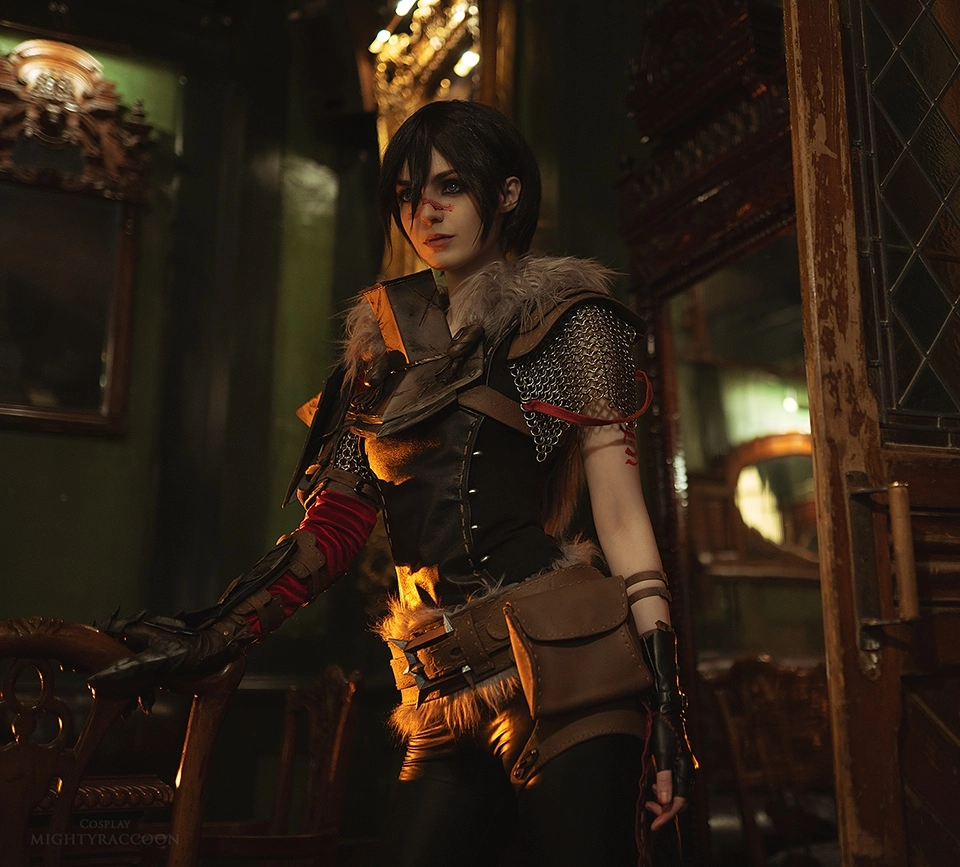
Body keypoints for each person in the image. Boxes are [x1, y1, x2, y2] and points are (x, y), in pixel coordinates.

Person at [92, 99, 695, 866]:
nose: (425, 211)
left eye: (451, 186)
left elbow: (621, 513)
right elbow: (335, 524)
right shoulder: (381, 344)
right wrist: (218, 629)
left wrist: (668, 700)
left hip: (567, 667)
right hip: (437, 686)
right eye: (409, 194)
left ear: (508, 193)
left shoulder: (570, 320)